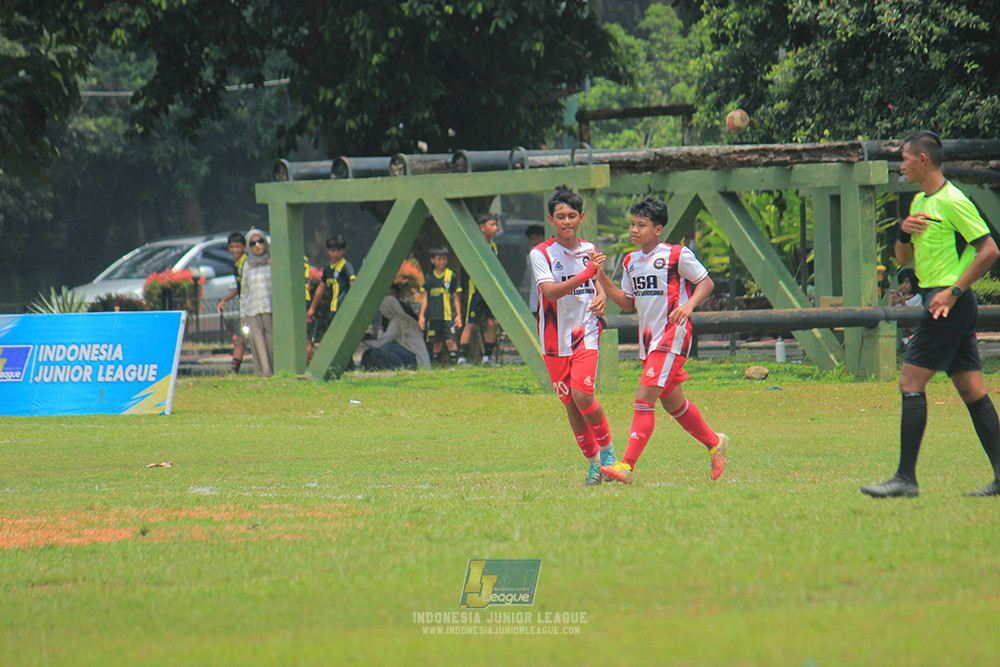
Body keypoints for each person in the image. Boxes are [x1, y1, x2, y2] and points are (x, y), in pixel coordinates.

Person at [861, 130, 1000, 498]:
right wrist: (904, 233)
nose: (899, 165)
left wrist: (953, 293)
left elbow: (989, 250)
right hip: (938, 299)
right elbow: (904, 260)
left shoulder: (953, 200)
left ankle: (905, 479)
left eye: (904, 158)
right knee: (971, 389)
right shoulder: (921, 200)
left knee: (909, 383)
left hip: (947, 304)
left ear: (922, 160)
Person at [595, 196, 730, 485]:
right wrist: (602, 278)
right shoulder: (631, 261)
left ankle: (626, 467)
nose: (634, 230)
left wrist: (689, 306)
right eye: (632, 224)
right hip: (649, 342)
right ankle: (714, 443)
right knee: (673, 404)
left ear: (658, 229)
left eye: (641, 225)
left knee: (643, 399)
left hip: (673, 336)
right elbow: (628, 303)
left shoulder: (676, 254)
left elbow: (706, 282)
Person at [530, 185, 616, 486]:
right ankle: (593, 464)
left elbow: (597, 283)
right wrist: (585, 275)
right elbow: (551, 293)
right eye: (560, 216)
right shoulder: (540, 253)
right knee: (569, 403)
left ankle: (608, 454)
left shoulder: (589, 250)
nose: (566, 221)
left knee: (582, 395)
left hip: (585, 333)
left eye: (572, 216)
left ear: (581, 217)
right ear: (551, 220)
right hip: (553, 340)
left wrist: (602, 294)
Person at [457, 213, 500, 365]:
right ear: (482, 228)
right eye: (492, 225)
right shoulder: (475, 245)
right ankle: (461, 359)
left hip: (491, 291)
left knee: (493, 323)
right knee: (470, 323)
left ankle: (487, 358)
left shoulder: (494, 246)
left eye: (496, 225)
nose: (496, 228)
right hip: (476, 290)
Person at [307, 234, 356, 360]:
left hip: (343, 310)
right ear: (328, 251)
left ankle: (347, 364)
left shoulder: (346, 266)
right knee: (333, 338)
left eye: (339, 250)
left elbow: (353, 284)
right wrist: (312, 308)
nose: (336, 254)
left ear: (344, 250)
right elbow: (321, 288)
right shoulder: (328, 268)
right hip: (332, 311)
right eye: (333, 250)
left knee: (342, 338)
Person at [362, 283, 432, 370]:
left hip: (415, 357)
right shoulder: (395, 319)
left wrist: (367, 343)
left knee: (386, 348)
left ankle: (403, 368)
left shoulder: (398, 321)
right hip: (406, 352)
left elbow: (384, 341)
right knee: (375, 353)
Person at [418, 246, 463, 364]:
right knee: (436, 342)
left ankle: (454, 364)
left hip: (448, 315)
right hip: (434, 316)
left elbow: (455, 296)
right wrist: (422, 316)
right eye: (439, 259)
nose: (442, 262)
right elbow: (425, 297)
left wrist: (458, 315)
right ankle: (436, 366)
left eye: (444, 259)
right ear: (433, 261)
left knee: (450, 340)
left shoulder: (451, 276)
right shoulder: (429, 277)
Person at [240, 228, 274, 376]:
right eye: (253, 243)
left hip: (270, 307)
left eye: (260, 241)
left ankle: (278, 371)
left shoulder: (273, 261)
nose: (258, 245)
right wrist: (242, 314)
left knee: (272, 342)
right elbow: (245, 290)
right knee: (257, 342)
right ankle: (264, 373)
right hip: (252, 309)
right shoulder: (247, 265)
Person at [216, 232, 247, 374]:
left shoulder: (247, 263)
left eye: (238, 247)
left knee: (240, 338)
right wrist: (225, 299)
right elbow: (240, 288)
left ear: (244, 247)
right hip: (244, 306)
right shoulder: (237, 265)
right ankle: (235, 369)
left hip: (251, 306)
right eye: (232, 247)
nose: (235, 250)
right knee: (238, 338)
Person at [523, 224, 546, 316]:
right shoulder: (529, 257)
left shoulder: (550, 255)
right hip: (535, 298)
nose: (535, 241)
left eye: (538, 237)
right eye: (532, 238)